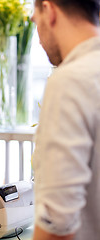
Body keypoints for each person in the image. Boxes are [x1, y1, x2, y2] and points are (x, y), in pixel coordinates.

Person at [31, 0, 100, 240]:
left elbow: (57, 221)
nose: (38, 39)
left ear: (49, 11)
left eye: (35, 22)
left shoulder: (70, 80)